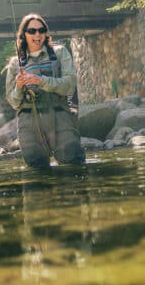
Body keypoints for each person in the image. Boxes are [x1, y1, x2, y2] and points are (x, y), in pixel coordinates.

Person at [5, 13, 85, 168]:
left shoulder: (60, 52)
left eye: (41, 30)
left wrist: (41, 81)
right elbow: (13, 102)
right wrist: (19, 87)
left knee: (73, 164)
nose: (37, 34)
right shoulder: (15, 64)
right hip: (28, 123)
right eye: (32, 31)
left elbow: (70, 85)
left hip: (60, 115)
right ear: (24, 34)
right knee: (37, 174)